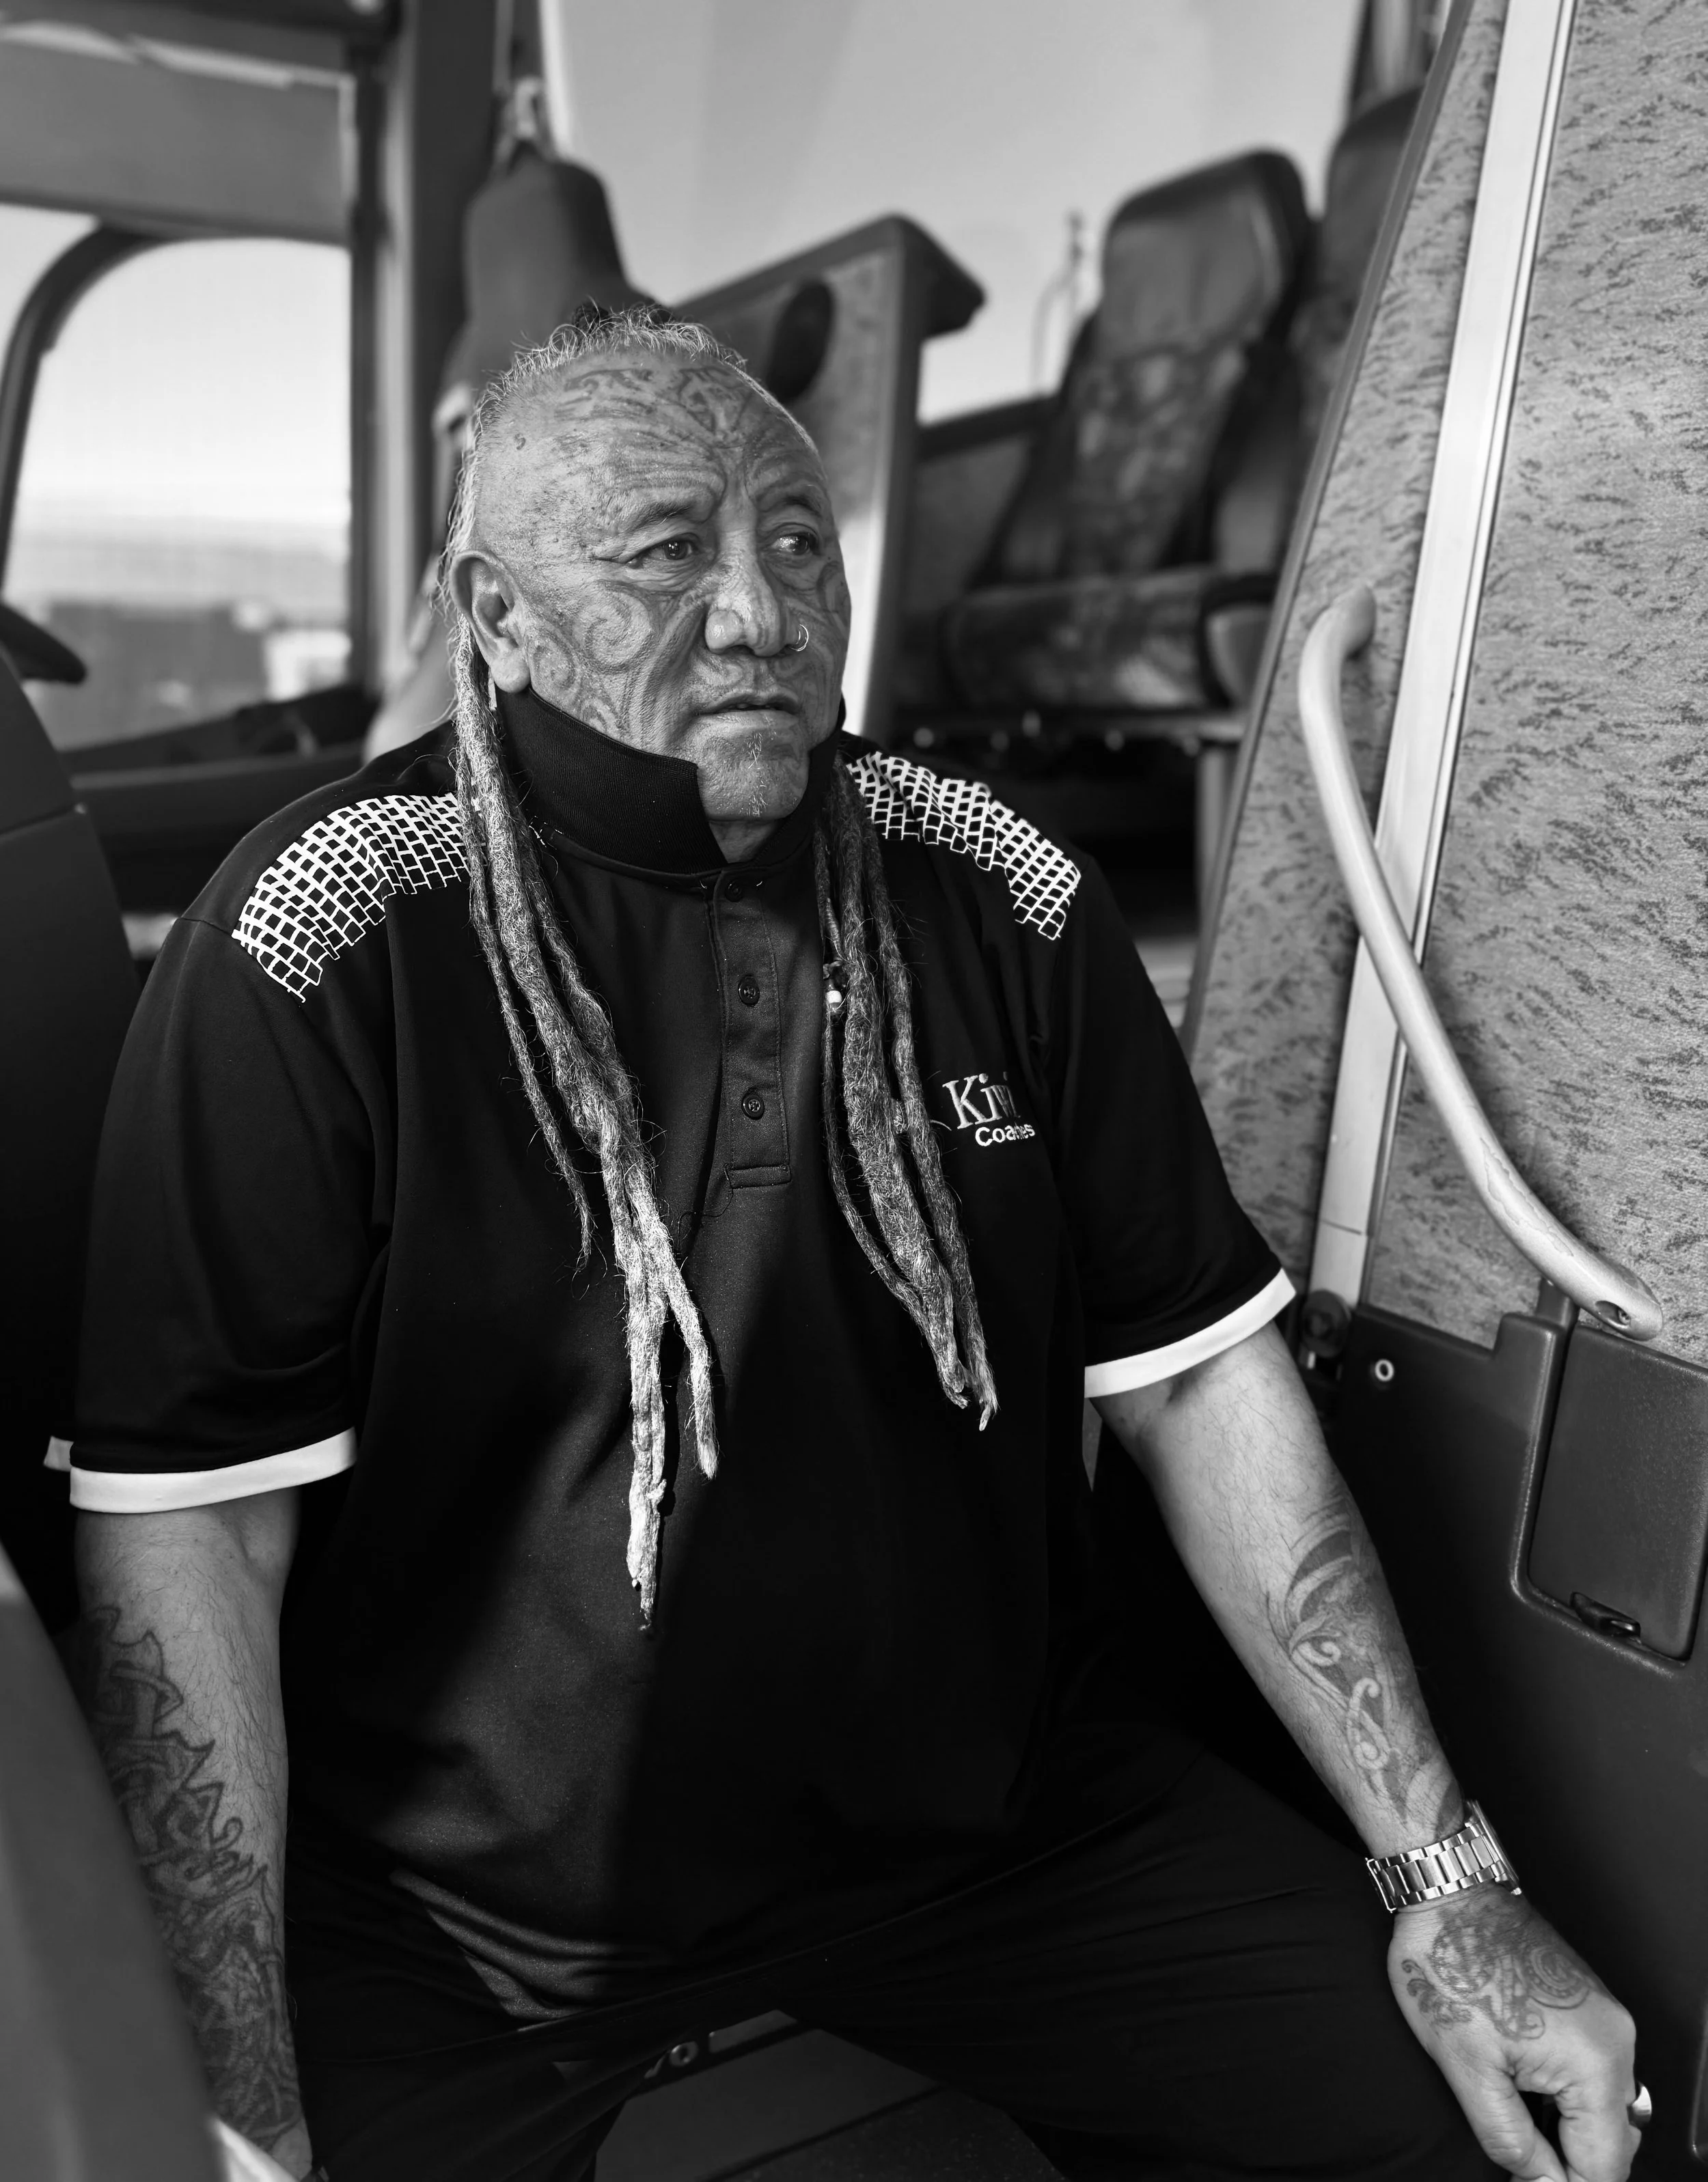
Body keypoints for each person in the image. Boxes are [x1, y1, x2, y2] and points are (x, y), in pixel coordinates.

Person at [69, 311, 1638, 2182]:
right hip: (463, 1934)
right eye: (665, 549)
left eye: (797, 539)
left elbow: (1197, 1385)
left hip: (989, 1834)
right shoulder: (316, 936)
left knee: (1476, 2136)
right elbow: (192, 1537)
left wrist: (1447, 1875)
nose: (759, 611)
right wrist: (237, 2096)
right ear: (495, 614)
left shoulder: (996, 883)